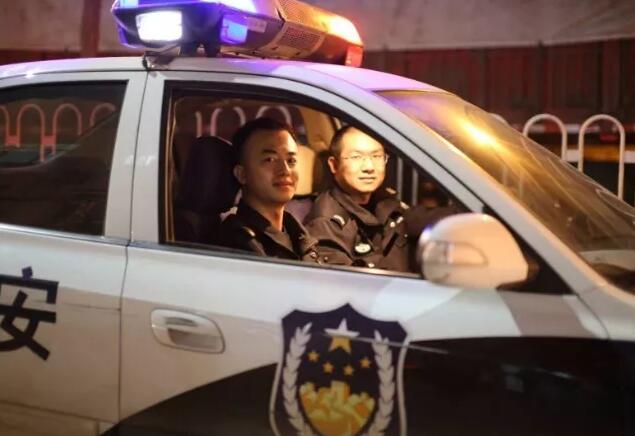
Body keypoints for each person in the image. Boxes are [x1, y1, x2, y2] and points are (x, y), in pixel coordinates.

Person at [304, 126, 411, 272]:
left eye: (376, 156)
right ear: (334, 165)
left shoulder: (388, 204)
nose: (369, 167)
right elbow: (343, 283)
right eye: (356, 157)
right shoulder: (325, 223)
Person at [218, 118, 319, 262]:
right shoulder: (239, 243)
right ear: (242, 174)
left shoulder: (297, 233)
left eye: (291, 161)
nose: (285, 170)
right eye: (270, 159)